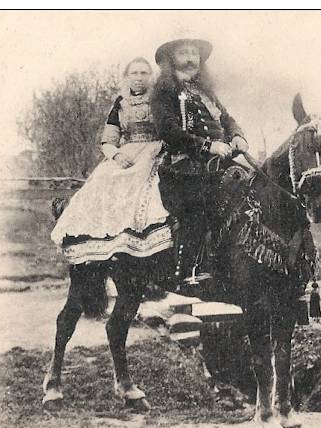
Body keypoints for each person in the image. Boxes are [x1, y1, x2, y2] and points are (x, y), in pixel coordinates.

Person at [51, 57, 171, 265]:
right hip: (127, 153)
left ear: (151, 77)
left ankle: (144, 245)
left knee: (153, 192)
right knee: (104, 183)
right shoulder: (120, 103)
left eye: (144, 73)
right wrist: (116, 155)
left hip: (156, 152)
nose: (139, 78)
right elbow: (107, 141)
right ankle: (105, 245)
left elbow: (172, 129)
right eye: (134, 73)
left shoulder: (160, 99)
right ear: (127, 77)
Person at [150, 37, 248, 284]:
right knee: (198, 210)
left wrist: (237, 135)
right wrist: (208, 146)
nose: (191, 58)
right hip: (183, 168)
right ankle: (189, 272)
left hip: (219, 164)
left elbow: (227, 118)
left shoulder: (205, 91)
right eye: (184, 53)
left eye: (194, 53)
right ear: (172, 59)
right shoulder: (165, 90)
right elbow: (168, 130)